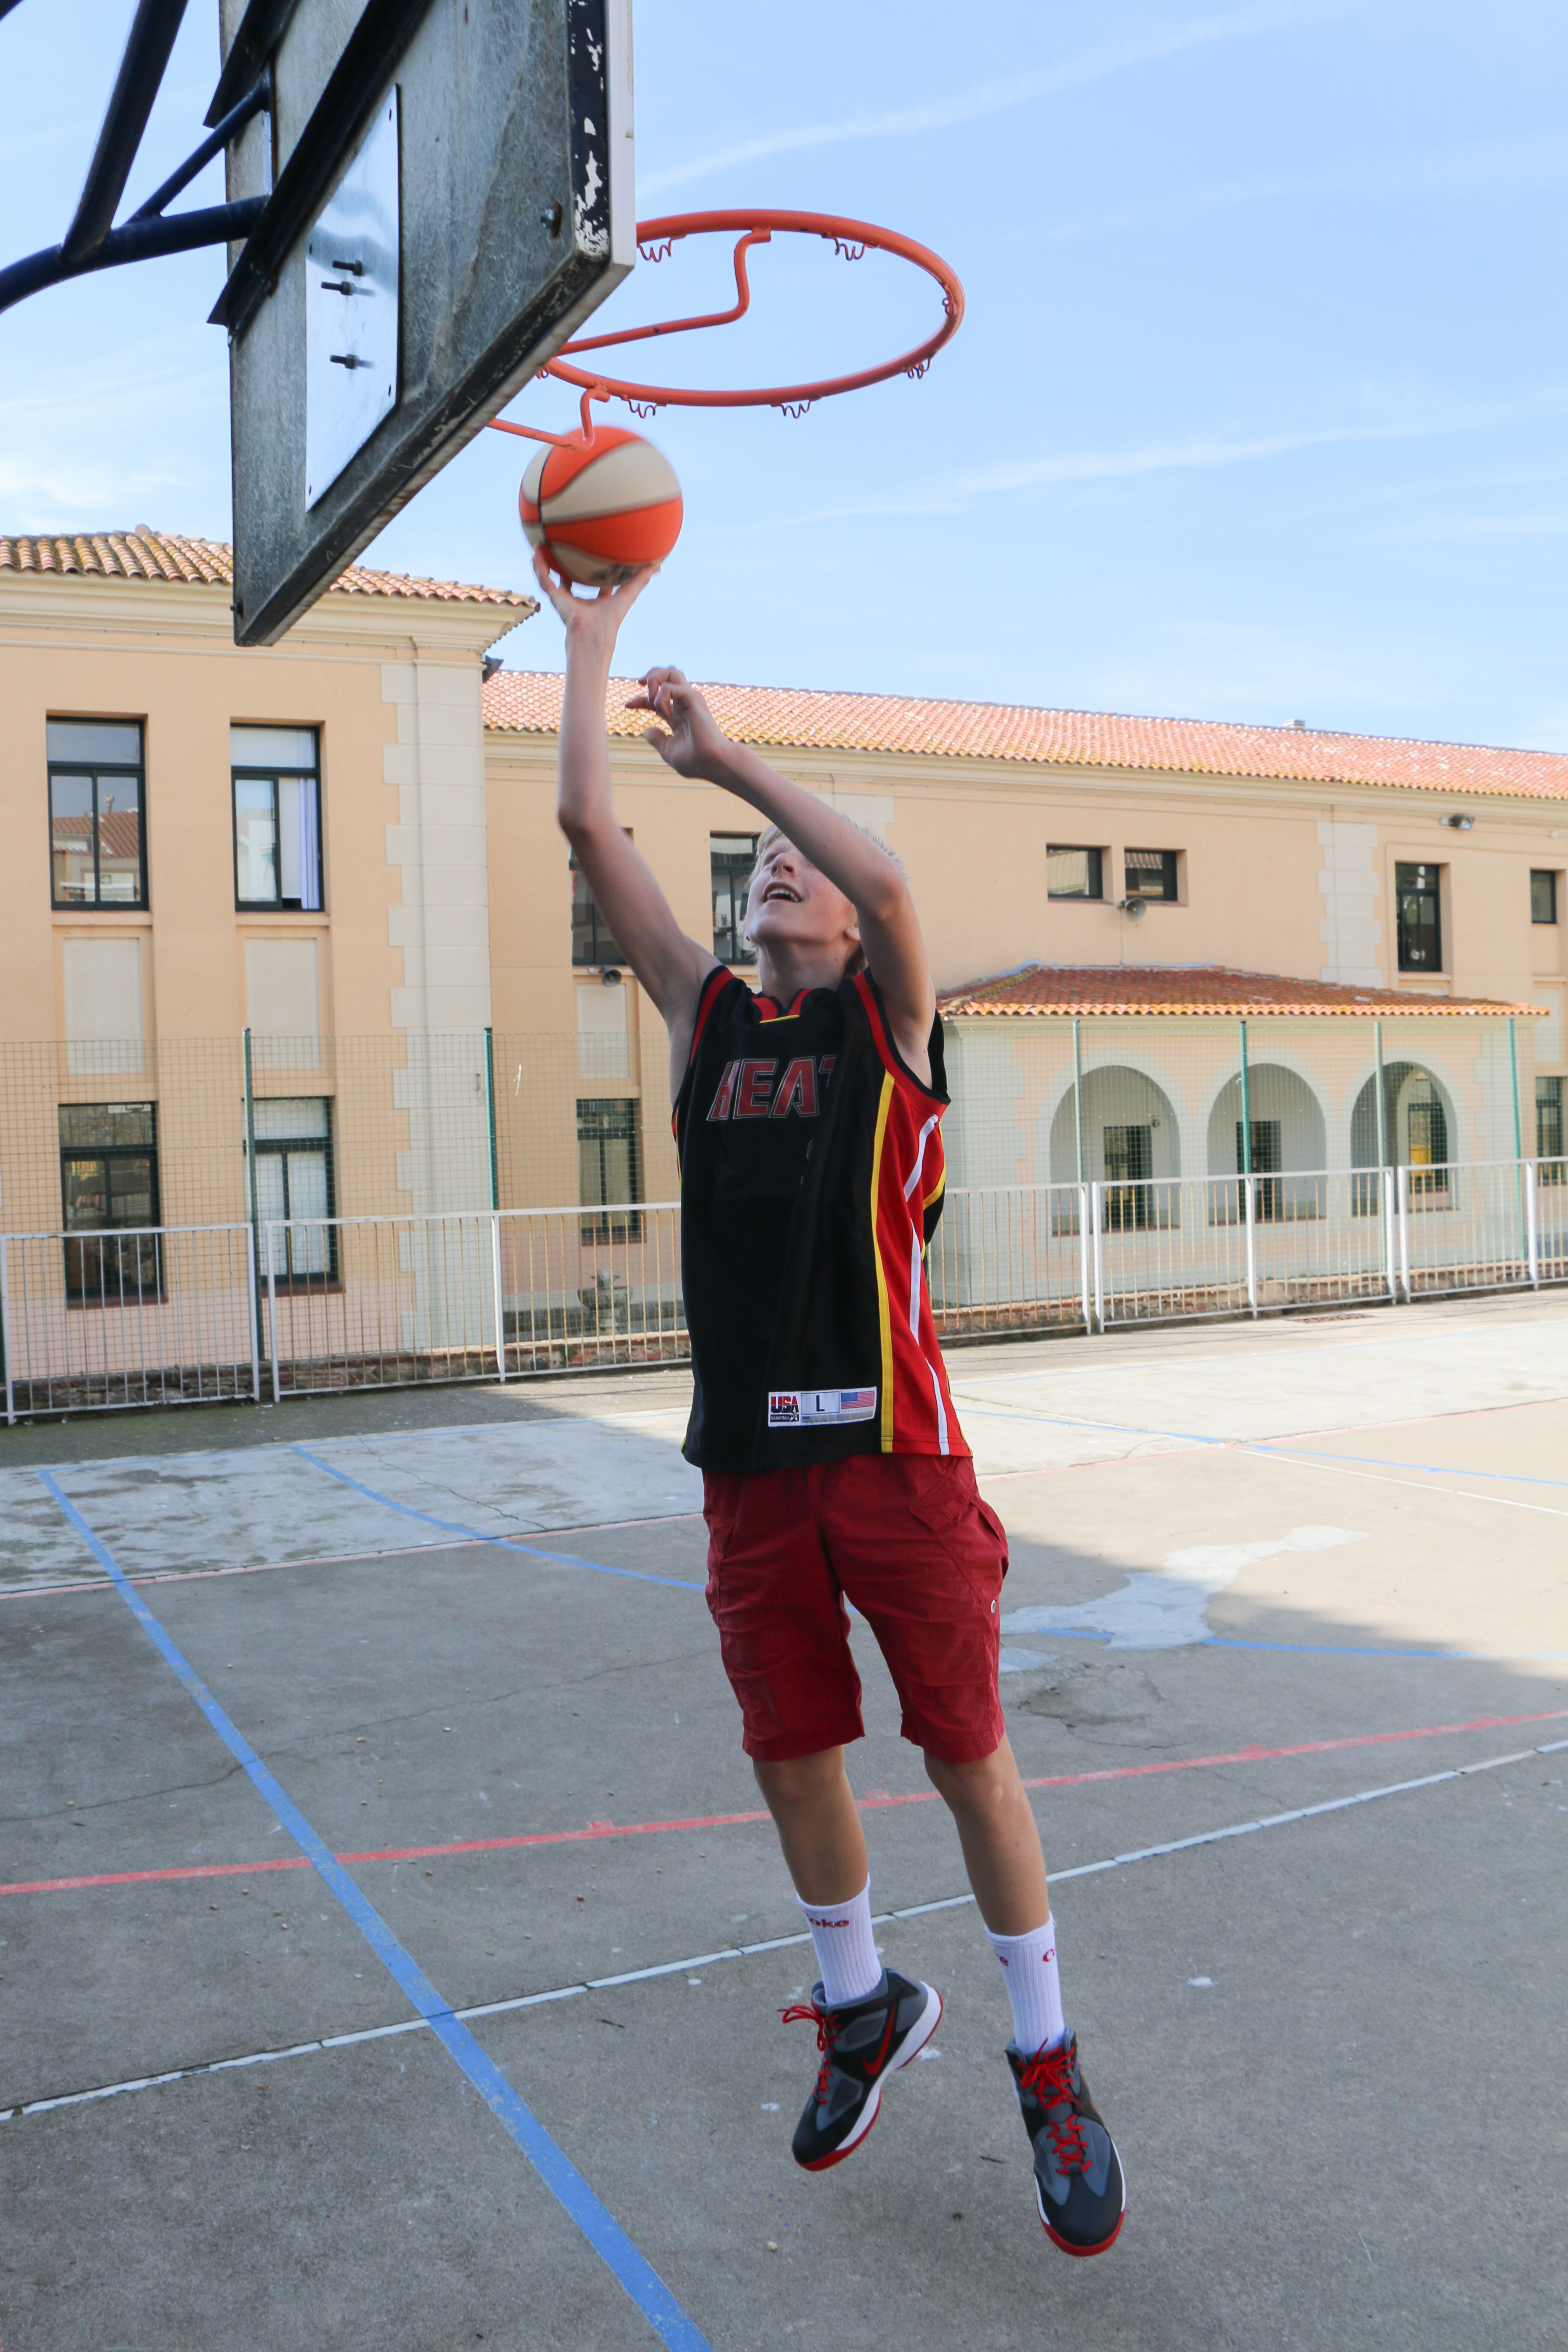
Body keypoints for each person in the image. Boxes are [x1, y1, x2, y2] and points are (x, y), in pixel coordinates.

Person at [536, 548, 1124, 2258]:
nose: (779, 869)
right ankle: (862, 2006)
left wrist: (729, 760)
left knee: (966, 1758)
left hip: (894, 1452)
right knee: (792, 1756)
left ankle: (1047, 2059)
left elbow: (887, 871)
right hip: (749, 1468)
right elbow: (584, 825)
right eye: (760, 869)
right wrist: (594, 641)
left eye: (803, 865)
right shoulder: (707, 1015)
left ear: (852, 931)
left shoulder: (897, 1023)